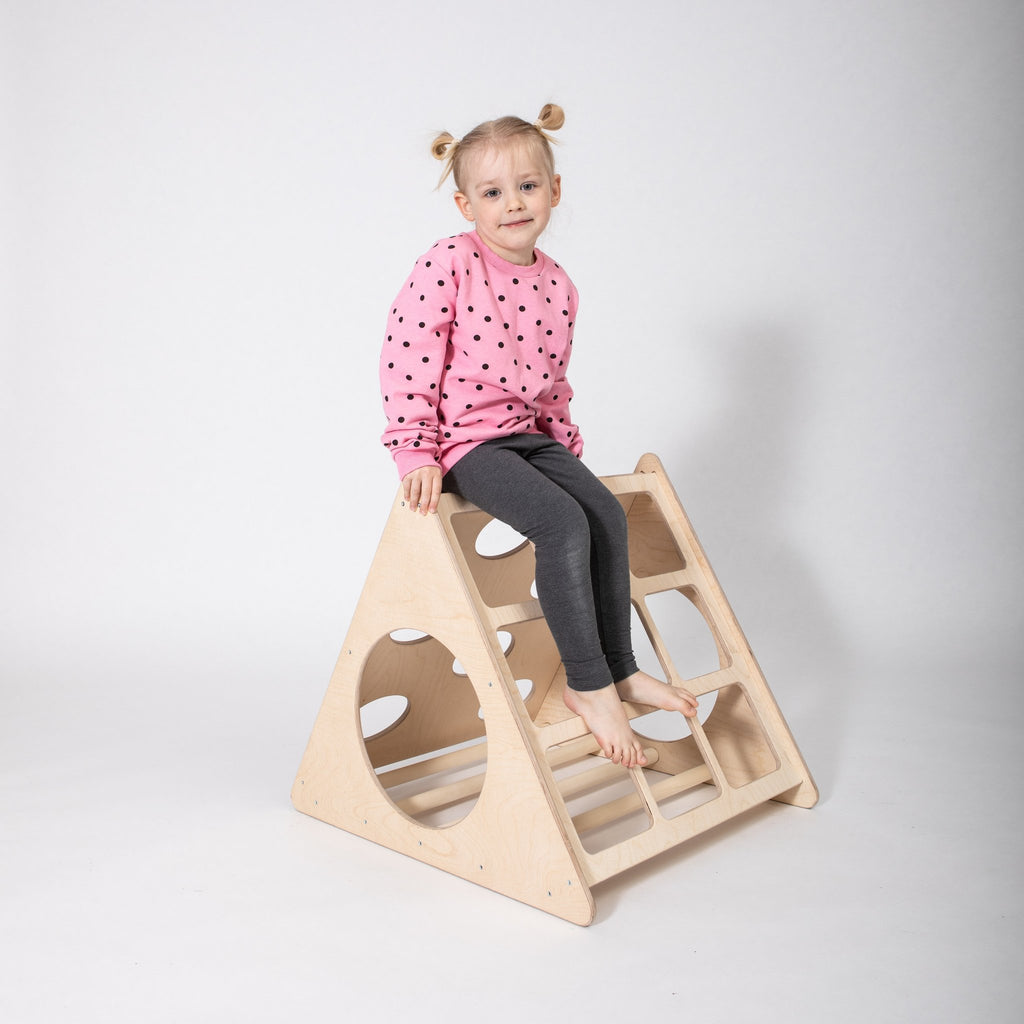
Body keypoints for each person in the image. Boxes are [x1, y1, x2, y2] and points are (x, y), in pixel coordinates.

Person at [379, 103, 697, 767]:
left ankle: (622, 669)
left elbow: (551, 378)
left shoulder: (558, 284)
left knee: (604, 513)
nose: (513, 203)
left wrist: (561, 449)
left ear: (554, 191)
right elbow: (407, 353)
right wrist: (416, 449)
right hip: (468, 443)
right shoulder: (449, 263)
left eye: (527, 186)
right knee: (562, 525)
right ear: (467, 206)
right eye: (493, 192)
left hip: (528, 437)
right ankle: (589, 687)